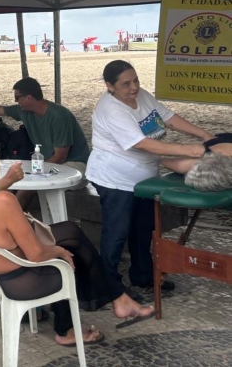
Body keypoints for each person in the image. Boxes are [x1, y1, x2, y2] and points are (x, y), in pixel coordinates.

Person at [0, 129, 157, 347]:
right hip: (17, 280)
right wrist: (59, 251)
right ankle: (69, 329)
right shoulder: (3, 202)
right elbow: (36, 255)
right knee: (67, 255)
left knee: (70, 232)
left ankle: (118, 299)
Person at [87, 60, 212, 291]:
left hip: (144, 179)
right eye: (126, 84)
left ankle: (142, 276)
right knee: (117, 232)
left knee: (143, 229)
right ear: (109, 86)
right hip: (115, 179)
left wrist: (202, 133)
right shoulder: (111, 109)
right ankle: (109, 286)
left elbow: (168, 117)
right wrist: (191, 150)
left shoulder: (140, 95)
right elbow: (144, 144)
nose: (133, 87)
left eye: (135, 80)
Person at [0, 77, 90, 171]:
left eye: (17, 98)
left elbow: (60, 157)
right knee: (21, 180)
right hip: (48, 163)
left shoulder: (59, 116)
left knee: (32, 181)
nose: (15, 101)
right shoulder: (23, 111)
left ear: (29, 98)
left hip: (74, 164)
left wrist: (34, 169)